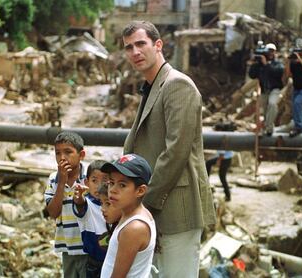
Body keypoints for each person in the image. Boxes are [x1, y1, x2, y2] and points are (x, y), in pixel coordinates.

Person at [122, 21, 216, 277]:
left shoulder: (177, 85)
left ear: (158, 45)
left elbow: (176, 152)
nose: (135, 52)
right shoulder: (153, 86)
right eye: (129, 47)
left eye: (141, 44)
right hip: (156, 208)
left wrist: (144, 202)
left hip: (177, 208)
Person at [100, 154, 156, 278]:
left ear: (140, 191)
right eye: (111, 182)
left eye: (122, 185)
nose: (112, 190)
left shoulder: (134, 228)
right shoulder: (134, 213)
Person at [44, 131, 88, 277]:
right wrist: (62, 182)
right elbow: (53, 213)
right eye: (58, 153)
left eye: (68, 152)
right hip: (67, 247)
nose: (62, 158)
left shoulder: (90, 177)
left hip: (89, 247)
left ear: (81, 155)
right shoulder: (53, 179)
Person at [72, 160, 111, 277]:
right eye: (94, 181)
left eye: (104, 181)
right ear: (86, 182)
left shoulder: (114, 203)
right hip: (93, 261)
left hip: (112, 260)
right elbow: (80, 204)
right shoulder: (87, 203)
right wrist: (78, 198)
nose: (99, 186)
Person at [248, 43, 285, 136]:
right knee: (266, 112)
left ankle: (267, 127)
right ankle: (269, 130)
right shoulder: (259, 64)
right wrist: (254, 64)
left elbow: (278, 73)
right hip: (264, 90)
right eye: (269, 51)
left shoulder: (277, 63)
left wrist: (266, 64)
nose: (271, 53)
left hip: (275, 89)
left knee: (272, 105)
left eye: (272, 51)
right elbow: (252, 75)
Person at [285, 45, 302, 137]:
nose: (300, 53)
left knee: (297, 103)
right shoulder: (294, 63)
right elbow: (288, 75)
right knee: (294, 107)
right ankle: (297, 126)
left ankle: (299, 127)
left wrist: (300, 60)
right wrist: (288, 61)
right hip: (296, 89)